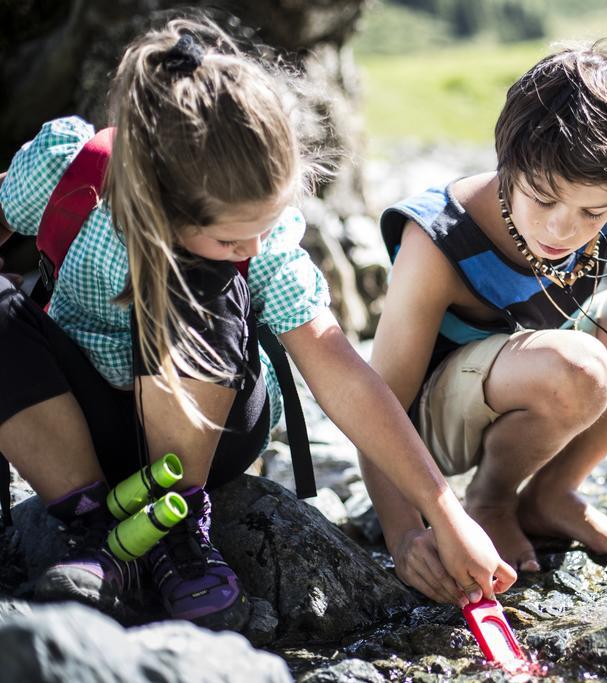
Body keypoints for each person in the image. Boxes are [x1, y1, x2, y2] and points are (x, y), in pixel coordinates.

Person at [0, 18, 514, 629]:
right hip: (77, 425)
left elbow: (339, 370)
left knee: (203, 281)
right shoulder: (70, 173)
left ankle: (177, 531)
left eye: (266, 227)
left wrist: (445, 514)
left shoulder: (258, 248)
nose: (255, 247)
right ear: (153, 198)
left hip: (204, 430)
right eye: (231, 236)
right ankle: (96, 532)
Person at [366, 40, 607, 600]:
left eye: (591, 214)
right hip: (432, 430)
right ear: (510, 165)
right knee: (579, 368)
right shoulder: (439, 241)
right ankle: (491, 499)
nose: (561, 229)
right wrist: (405, 534)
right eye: (542, 199)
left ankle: (552, 492)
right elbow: (378, 404)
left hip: (542, 367)